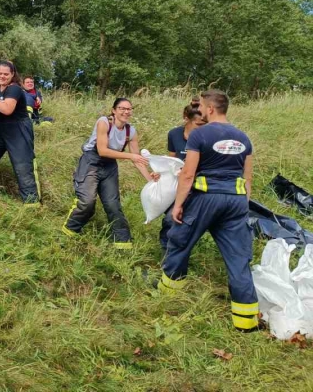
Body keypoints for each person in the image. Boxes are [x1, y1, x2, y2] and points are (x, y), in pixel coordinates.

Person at [158, 90, 259, 332]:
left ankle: (168, 294)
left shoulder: (200, 134)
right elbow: (247, 177)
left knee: (180, 240)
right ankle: (246, 322)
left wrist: (179, 204)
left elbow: (188, 174)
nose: (200, 110)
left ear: (211, 109)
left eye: (202, 106)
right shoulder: (243, 138)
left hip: (206, 198)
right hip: (235, 201)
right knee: (238, 258)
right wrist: (243, 205)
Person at [62, 98, 158, 249]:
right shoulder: (104, 122)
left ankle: (122, 243)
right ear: (114, 110)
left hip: (109, 166)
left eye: (129, 109)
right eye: (122, 108)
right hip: (91, 162)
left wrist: (150, 180)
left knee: (113, 205)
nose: (126, 112)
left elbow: (137, 159)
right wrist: (131, 156)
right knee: (87, 202)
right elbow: (102, 150)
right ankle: (69, 231)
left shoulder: (131, 132)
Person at [0, 62, 40, 205]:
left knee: (22, 167)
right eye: (0, 73)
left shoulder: (15, 89)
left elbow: (7, 109)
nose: (2, 76)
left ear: (12, 75)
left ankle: (32, 204)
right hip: (1, 129)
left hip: (19, 130)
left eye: (6, 74)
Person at [157, 98, 206, 248]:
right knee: (169, 216)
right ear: (187, 119)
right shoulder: (174, 134)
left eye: (204, 125)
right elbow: (171, 160)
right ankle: (166, 247)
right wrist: (160, 172)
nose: (201, 128)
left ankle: (171, 250)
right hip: (175, 182)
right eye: (198, 124)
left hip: (194, 183)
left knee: (173, 218)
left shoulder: (206, 138)